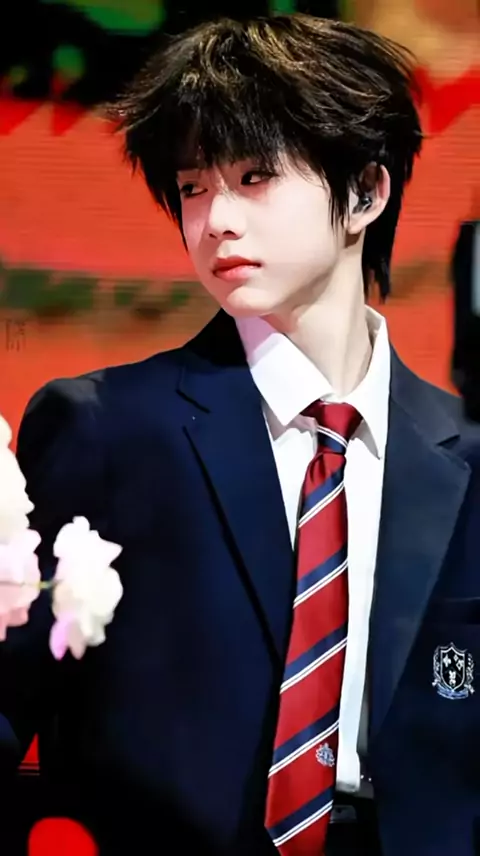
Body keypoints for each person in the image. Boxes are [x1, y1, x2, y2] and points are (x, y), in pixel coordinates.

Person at [2, 13, 480, 856]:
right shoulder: (108, 428)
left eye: (255, 176)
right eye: (193, 187)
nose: (216, 218)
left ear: (365, 192)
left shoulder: (465, 456)